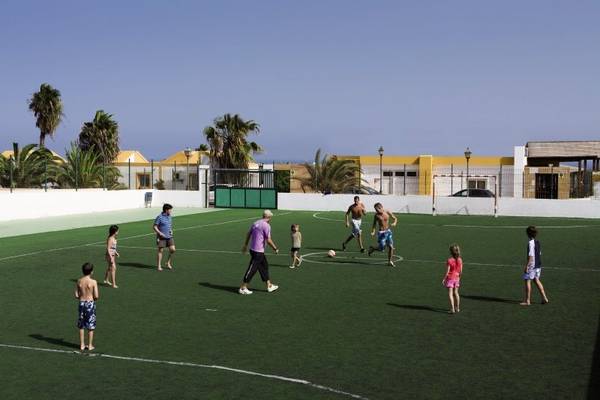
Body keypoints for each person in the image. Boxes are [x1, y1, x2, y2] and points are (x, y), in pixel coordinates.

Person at [239, 210, 280, 295]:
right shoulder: (266, 226)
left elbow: (248, 234)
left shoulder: (256, 223)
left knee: (264, 266)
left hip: (254, 250)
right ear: (269, 217)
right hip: (258, 252)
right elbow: (268, 240)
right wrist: (275, 248)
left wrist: (245, 245)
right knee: (252, 269)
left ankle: (269, 285)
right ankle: (243, 287)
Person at [520, 226, 550, 306]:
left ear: (528, 234)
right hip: (538, 265)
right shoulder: (537, 242)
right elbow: (539, 254)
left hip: (532, 265)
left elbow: (531, 256)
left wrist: (527, 266)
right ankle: (544, 298)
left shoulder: (530, 243)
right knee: (536, 280)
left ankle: (527, 301)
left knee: (527, 281)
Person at [75, 262, 99, 351]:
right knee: (90, 325)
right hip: (90, 304)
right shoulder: (93, 282)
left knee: (81, 325)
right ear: (91, 271)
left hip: (81, 303)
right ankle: (89, 345)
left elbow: (76, 295)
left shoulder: (79, 281)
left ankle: (81, 345)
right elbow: (96, 296)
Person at [153, 203, 175, 271]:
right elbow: (154, 226)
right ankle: (159, 266)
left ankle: (168, 262)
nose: (171, 211)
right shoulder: (159, 217)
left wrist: (171, 230)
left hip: (169, 236)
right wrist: (159, 233)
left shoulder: (169, 216)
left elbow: (169, 225)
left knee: (173, 250)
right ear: (166, 210)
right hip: (161, 237)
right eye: (170, 210)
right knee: (160, 251)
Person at [443, 244, 463, 314]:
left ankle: (452, 309)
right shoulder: (460, 260)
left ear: (451, 252)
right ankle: (457, 308)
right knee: (456, 293)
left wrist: (444, 279)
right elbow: (461, 271)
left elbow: (448, 271)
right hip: (457, 278)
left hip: (450, 278)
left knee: (450, 294)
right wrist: (459, 278)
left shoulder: (449, 260)